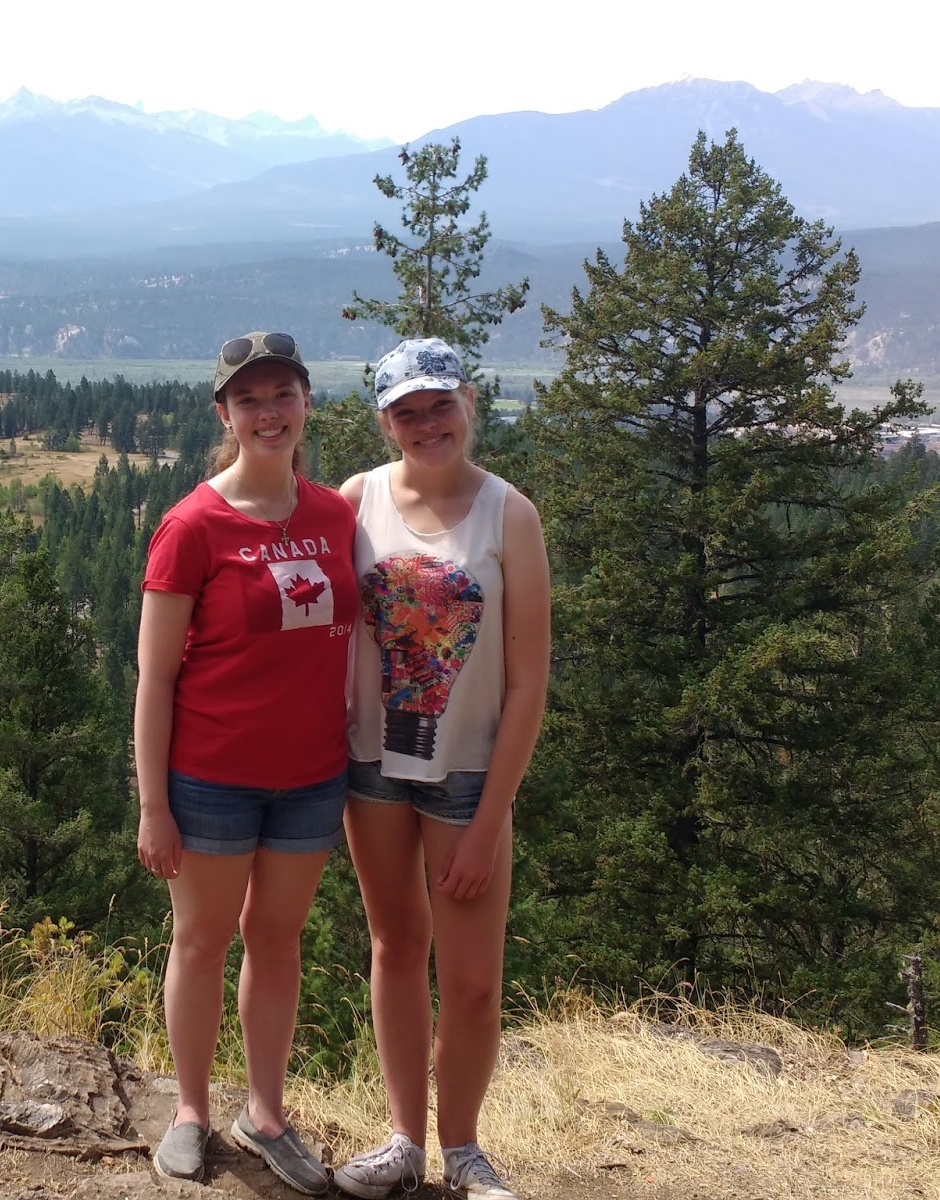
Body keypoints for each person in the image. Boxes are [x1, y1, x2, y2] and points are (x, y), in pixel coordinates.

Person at [135, 332, 358, 1196]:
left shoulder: (334, 515)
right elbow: (156, 677)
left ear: (306, 406)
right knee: (201, 942)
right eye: (250, 400)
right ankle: (190, 1112)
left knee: (277, 940)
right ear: (224, 415)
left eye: (283, 395)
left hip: (312, 776)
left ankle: (265, 1115)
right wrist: (153, 805)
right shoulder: (193, 526)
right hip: (212, 778)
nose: (269, 413)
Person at [332, 338, 551, 1200]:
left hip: (468, 777)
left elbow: (528, 683)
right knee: (395, 949)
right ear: (385, 423)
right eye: (407, 412)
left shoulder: (509, 515)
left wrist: (491, 820)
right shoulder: (357, 500)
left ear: (469, 403)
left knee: (471, 982)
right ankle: (404, 1142)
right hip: (371, 765)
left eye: (439, 406)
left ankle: (463, 1149)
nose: (427, 425)